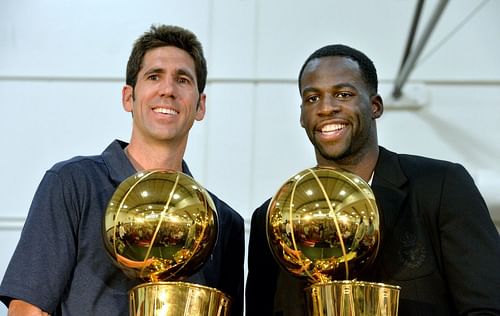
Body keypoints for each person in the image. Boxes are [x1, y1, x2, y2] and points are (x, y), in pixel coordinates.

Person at [0, 24, 244, 316]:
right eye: (154, 76)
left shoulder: (223, 222)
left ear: (200, 105)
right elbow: (28, 309)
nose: (168, 90)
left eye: (182, 79)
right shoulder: (73, 184)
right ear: (128, 97)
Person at [246, 44, 500, 315]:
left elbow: (486, 309)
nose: (326, 108)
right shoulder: (271, 220)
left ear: (375, 106)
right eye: (312, 99)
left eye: (343, 94)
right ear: (301, 117)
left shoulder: (442, 186)